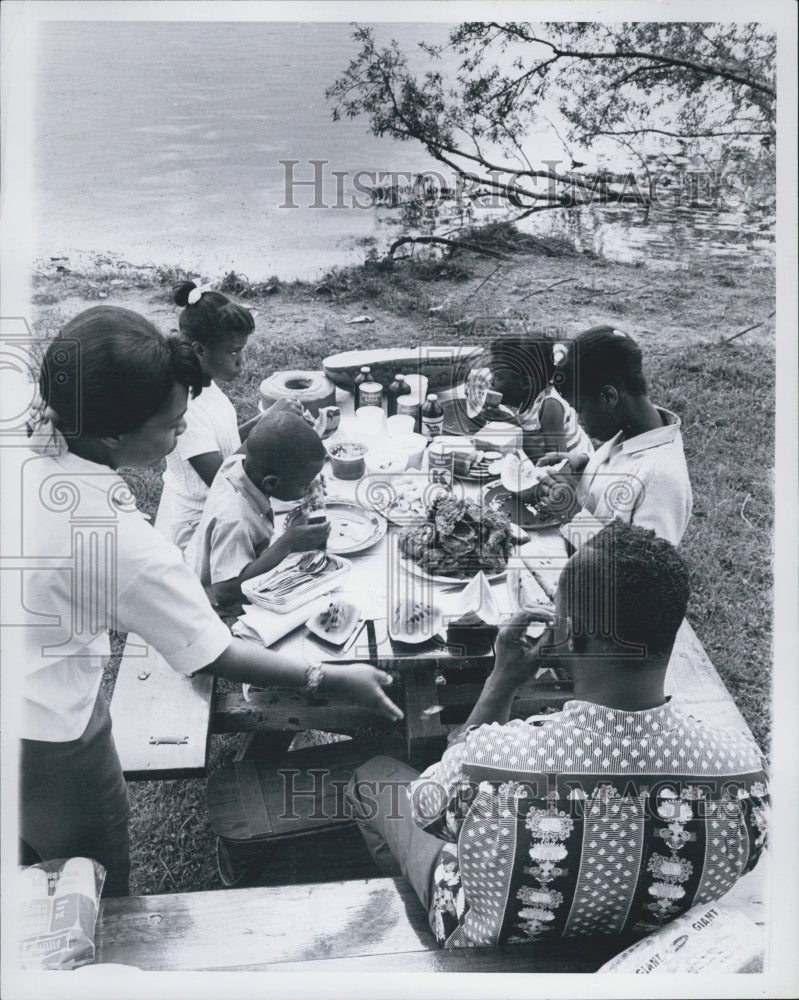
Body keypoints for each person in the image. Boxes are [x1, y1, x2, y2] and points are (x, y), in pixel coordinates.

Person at [19, 306, 402, 897]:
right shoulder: (118, 541)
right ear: (115, 432)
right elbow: (213, 651)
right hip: (45, 736)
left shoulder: (26, 433)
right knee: (89, 891)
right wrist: (330, 676)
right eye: (173, 426)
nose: (180, 436)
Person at [346, 522, 768, 948]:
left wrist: (500, 682)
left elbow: (427, 808)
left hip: (491, 951)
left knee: (372, 777)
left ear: (565, 633)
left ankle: (415, 927)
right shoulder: (746, 777)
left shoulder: (488, 762)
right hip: (647, 944)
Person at [154, 280, 301, 552]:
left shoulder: (205, 382)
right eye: (234, 351)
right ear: (199, 350)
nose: (241, 360)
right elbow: (222, 478)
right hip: (195, 529)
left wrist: (266, 417)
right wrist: (269, 424)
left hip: (221, 508)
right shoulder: (186, 405)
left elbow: (226, 443)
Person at [536, 325, 693, 546]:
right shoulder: (632, 431)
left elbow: (642, 569)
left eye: (580, 409)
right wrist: (587, 467)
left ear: (609, 397)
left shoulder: (662, 479)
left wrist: (572, 514)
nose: (579, 420)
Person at [185, 412, 331, 612]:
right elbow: (224, 593)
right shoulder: (236, 519)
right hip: (215, 607)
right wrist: (288, 544)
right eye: (305, 485)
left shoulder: (237, 464)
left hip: (223, 561)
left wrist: (305, 481)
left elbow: (267, 441)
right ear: (270, 483)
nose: (310, 487)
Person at [487, 334, 592, 460]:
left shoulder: (550, 406)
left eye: (498, 377)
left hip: (576, 473)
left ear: (526, 383)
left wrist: (514, 428)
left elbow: (556, 463)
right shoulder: (525, 397)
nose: (491, 381)